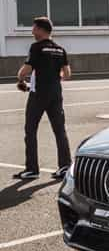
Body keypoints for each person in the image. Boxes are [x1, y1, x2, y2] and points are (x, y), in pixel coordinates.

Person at [14, 17, 72, 180]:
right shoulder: (60, 49)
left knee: (30, 130)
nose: (32, 31)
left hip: (38, 94)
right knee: (60, 130)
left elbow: (24, 71)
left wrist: (21, 80)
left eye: (34, 28)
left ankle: (32, 169)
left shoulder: (36, 47)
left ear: (41, 29)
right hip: (55, 94)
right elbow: (67, 74)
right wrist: (53, 79)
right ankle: (65, 166)